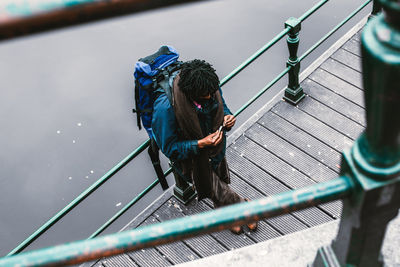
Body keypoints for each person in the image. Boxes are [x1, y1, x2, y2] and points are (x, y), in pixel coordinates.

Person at [151, 59, 257, 234]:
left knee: (220, 179)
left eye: (211, 92)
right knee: (215, 187)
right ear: (190, 94)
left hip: (215, 146)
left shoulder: (207, 85)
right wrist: (200, 143)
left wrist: (227, 118)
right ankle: (243, 207)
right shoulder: (165, 108)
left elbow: (222, 107)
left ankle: (226, 214)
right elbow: (170, 149)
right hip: (192, 158)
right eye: (204, 96)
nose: (210, 96)